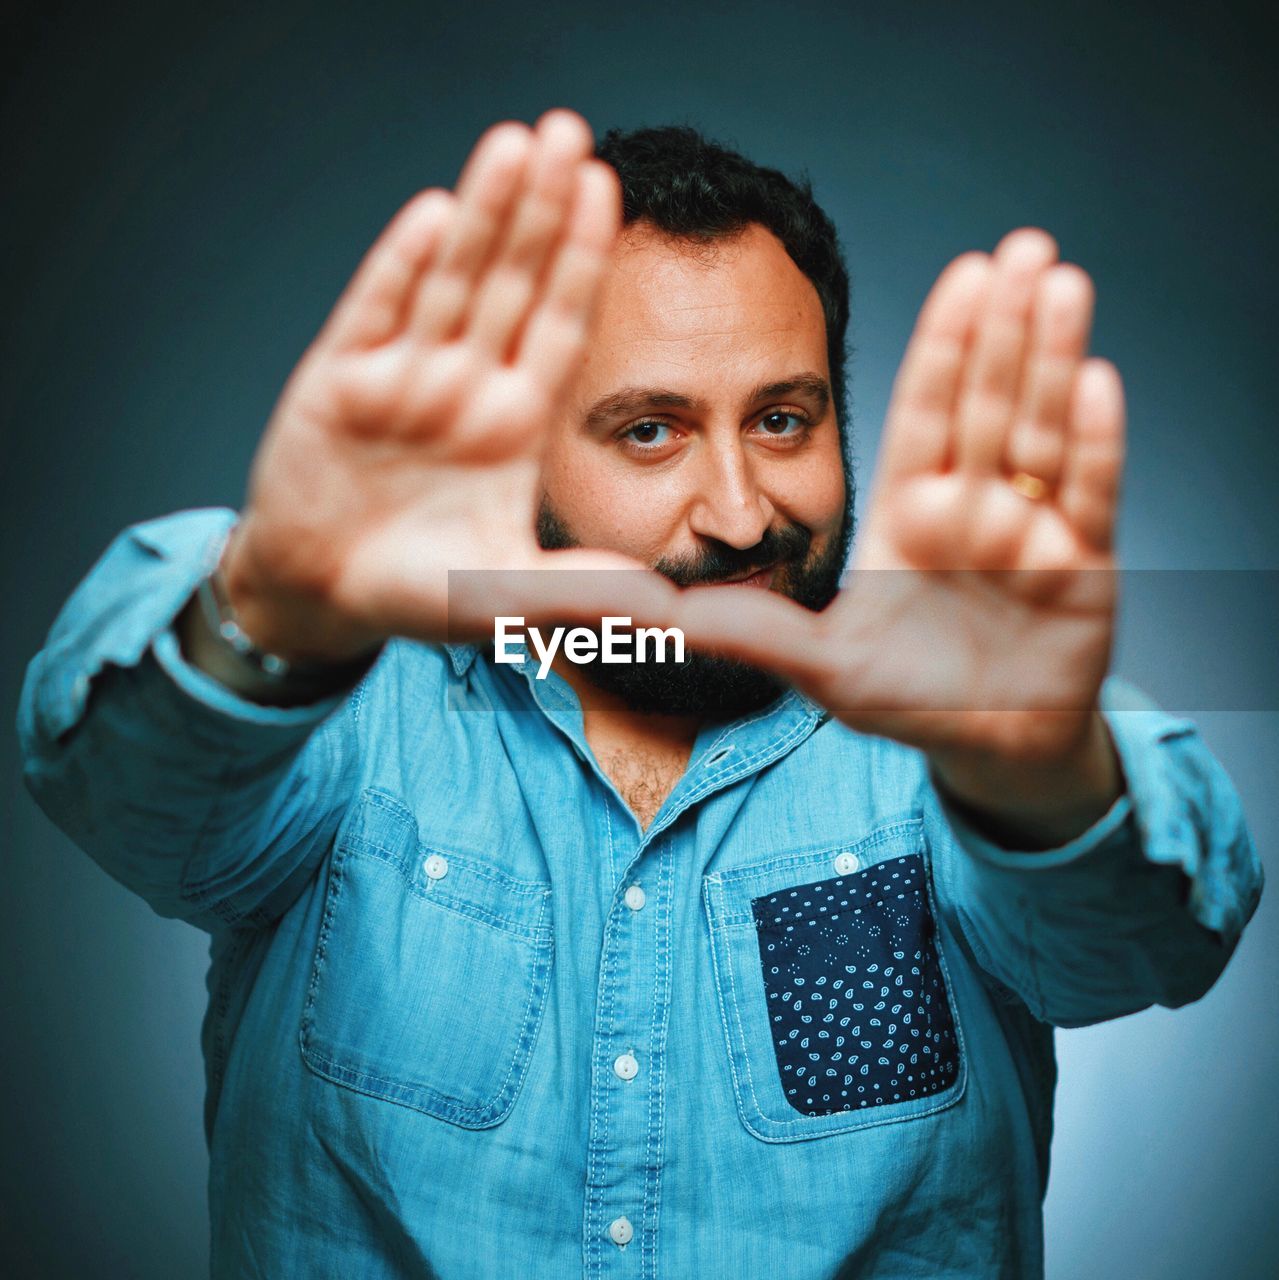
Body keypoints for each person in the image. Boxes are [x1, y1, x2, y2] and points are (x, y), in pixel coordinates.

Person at [17, 108, 1263, 1279]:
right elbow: (118, 784)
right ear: (517, 451)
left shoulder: (951, 747)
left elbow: (1149, 937)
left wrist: (1034, 765)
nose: (737, 512)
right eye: (649, 432)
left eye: (782, 419)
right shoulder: (353, 717)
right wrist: (275, 608)